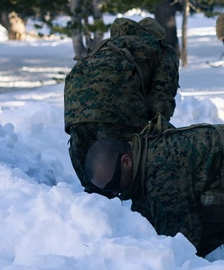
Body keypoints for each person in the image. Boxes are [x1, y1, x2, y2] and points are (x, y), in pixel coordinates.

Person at [85, 124, 224, 270]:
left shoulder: (162, 174)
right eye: (107, 191)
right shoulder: (142, 157)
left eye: (113, 184)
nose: (115, 193)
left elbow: (183, 243)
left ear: (126, 161)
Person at [64, 16, 179, 195]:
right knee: (132, 181)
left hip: (75, 114)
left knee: (96, 188)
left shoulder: (102, 46)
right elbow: (161, 99)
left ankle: (92, 217)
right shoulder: (159, 48)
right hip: (120, 112)